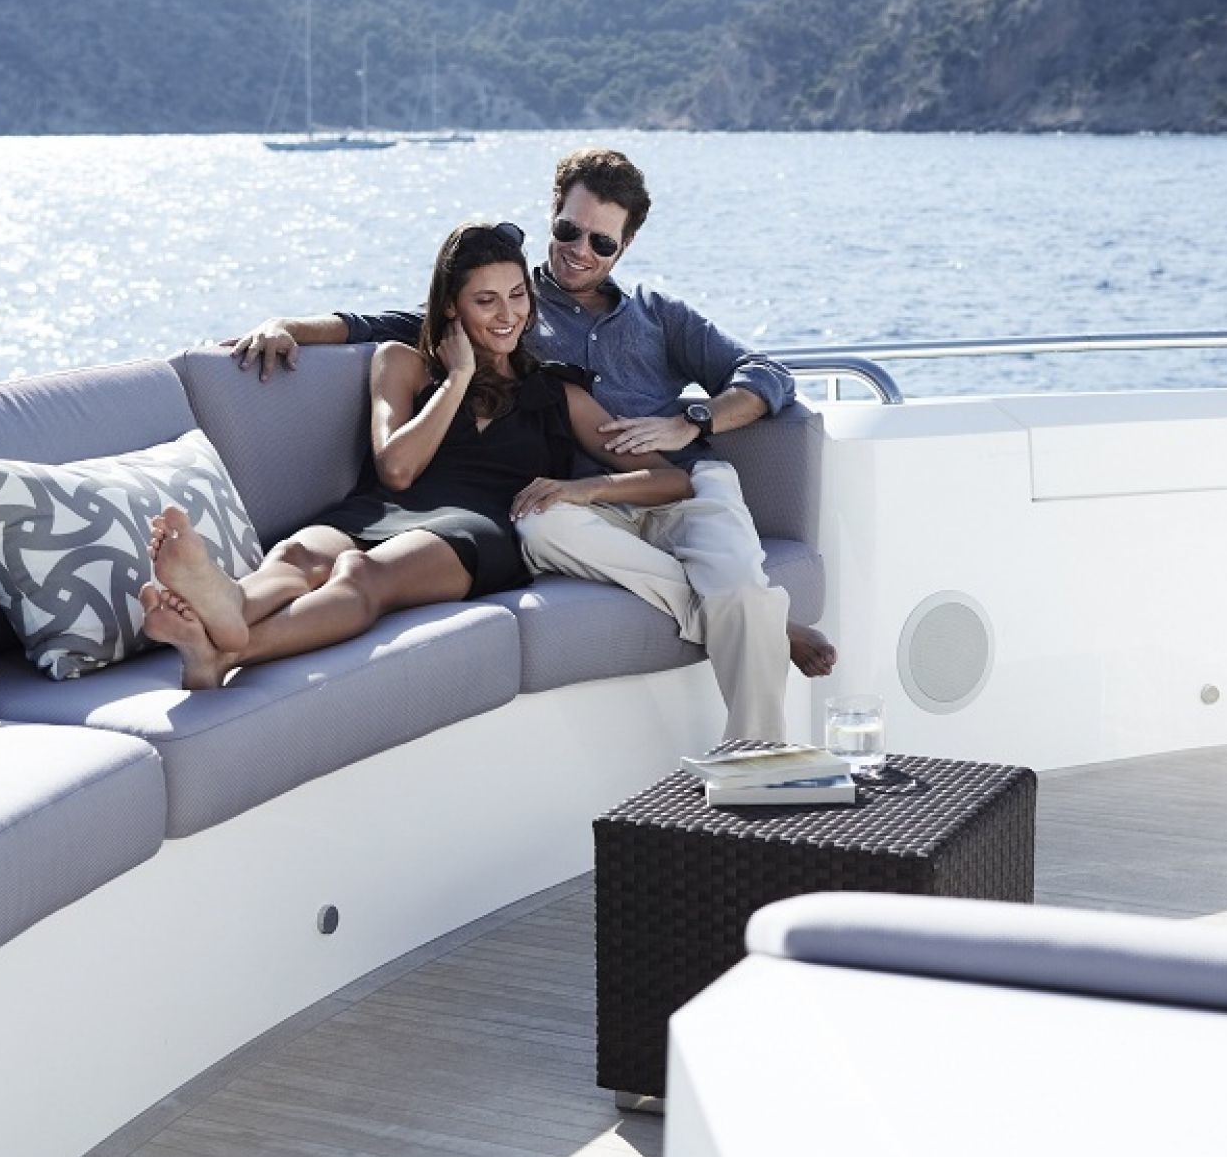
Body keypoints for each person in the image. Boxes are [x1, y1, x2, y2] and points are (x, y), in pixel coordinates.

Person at [231, 147, 834, 742]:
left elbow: (767, 374)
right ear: (553, 216)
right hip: (576, 503)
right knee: (540, 524)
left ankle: (758, 756)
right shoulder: (511, 303)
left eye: (602, 241)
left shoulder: (659, 315)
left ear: (625, 246)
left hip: (679, 484)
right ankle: (762, 623)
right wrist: (287, 326)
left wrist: (694, 421)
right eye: (569, 230)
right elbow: (385, 325)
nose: (580, 250)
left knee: (733, 583)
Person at [145, 220, 690, 690]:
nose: (507, 315)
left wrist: (583, 489)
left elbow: (672, 481)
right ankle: (228, 610)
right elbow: (398, 471)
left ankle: (231, 647)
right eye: (486, 300)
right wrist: (456, 379)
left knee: (361, 574)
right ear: (451, 305)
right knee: (297, 554)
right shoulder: (402, 363)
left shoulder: (557, 393)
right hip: (383, 507)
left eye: (517, 295)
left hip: (478, 528)